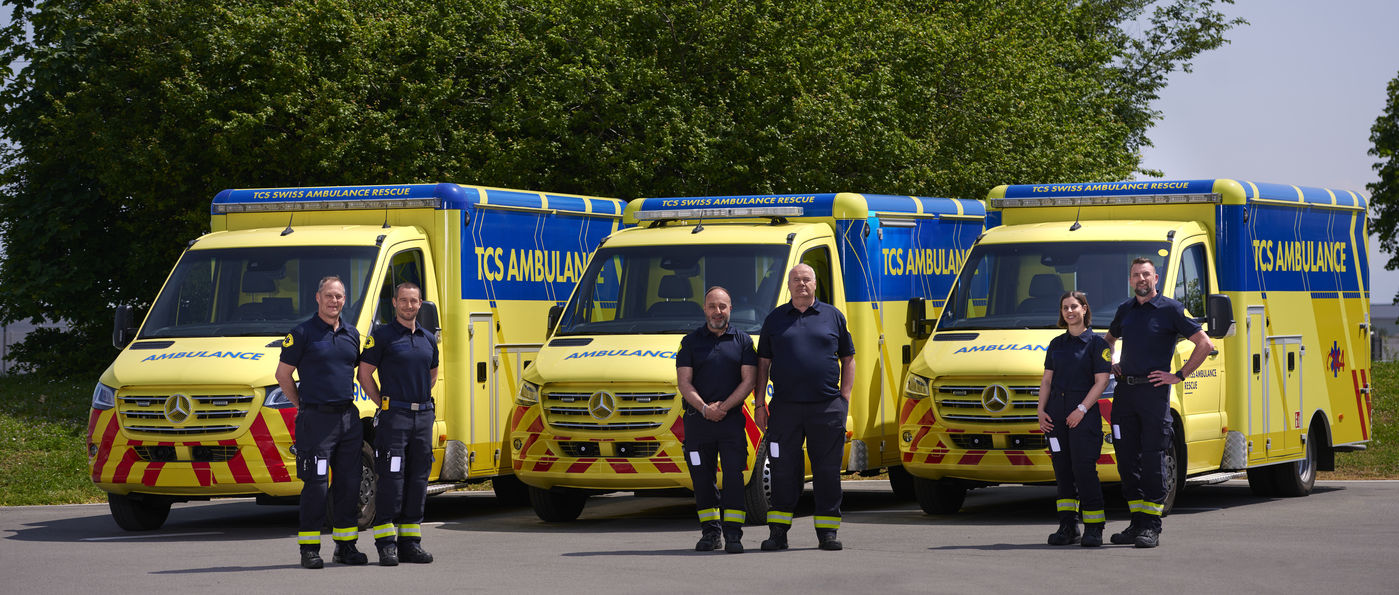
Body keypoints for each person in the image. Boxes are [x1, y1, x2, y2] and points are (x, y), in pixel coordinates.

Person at [1104, 257, 1213, 548]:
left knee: (1153, 459)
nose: (1141, 279)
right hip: (1125, 395)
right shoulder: (1124, 310)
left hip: (1153, 395)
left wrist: (1178, 375)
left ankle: (1152, 526)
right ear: (1130, 280)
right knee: (1127, 460)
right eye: (1136, 275)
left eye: (1146, 274)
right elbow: (1108, 340)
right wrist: (1111, 363)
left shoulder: (1170, 310)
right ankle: (1136, 523)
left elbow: (1205, 344)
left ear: (1156, 278)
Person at [754, 264, 855, 551]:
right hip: (784, 409)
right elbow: (763, 364)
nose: (801, 283)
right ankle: (778, 533)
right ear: (788, 285)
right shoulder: (774, 320)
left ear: (814, 284)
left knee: (826, 471)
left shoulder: (833, 316)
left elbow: (849, 358)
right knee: (783, 470)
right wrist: (760, 404)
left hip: (826, 408)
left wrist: (843, 399)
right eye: (796, 279)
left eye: (806, 279)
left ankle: (827, 533)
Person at [276, 276, 367, 569]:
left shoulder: (352, 334)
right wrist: (302, 406)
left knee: (349, 484)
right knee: (315, 486)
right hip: (316, 421)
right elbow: (283, 375)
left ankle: (345, 547)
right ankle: (310, 549)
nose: (334, 301)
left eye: (339, 296)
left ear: (344, 299)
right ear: (318, 297)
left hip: (348, 420)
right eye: (329, 295)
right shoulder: (302, 333)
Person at [358, 282, 439, 566]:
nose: (409, 306)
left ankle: (410, 544)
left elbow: (433, 372)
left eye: (414, 301)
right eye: (403, 301)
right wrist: (383, 402)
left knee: (418, 479)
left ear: (420, 304)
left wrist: (419, 401)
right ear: (394, 303)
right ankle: (386, 545)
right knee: (391, 480)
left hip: (422, 417)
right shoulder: (381, 337)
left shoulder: (429, 339)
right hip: (395, 418)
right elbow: (364, 374)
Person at [676, 286, 758, 554]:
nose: (717, 311)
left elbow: (749, 380)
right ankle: (710, 534)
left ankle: (733, 535)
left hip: (731, 422)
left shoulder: (744, 341)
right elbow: (684, 383)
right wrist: (704, 409)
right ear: (705, 309)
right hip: (698, 423)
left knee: (734, 477)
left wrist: (723, 407)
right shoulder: (689, 342)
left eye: (723, 306)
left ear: (730, 309)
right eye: (712, 306)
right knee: (701, 479)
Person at [1037, 291, 1111, 547]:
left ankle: (1094, 528)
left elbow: (1101, 382)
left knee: (1084, 471)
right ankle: (1067, 527)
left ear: (1084, 309)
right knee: (1063, 473)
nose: (1069, 311)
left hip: (1083, 417)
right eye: (1065, 308)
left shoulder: (1097, 345)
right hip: (1056, 417)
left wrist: (1081, 409)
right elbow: (1047, 380)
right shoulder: (1057, 344)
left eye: (1074, 307)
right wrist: (1041, 411)